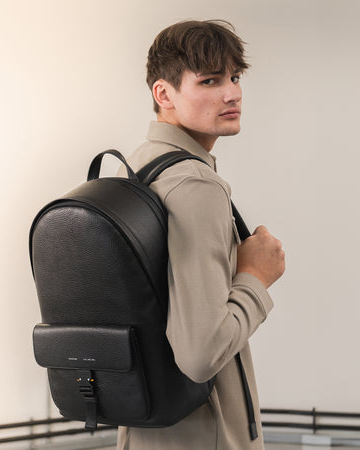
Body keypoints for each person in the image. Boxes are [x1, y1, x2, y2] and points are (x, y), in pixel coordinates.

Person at [117, 19, 286, 450]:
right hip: (206, 436)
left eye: (235, 77)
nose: (232, 93)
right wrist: (256, 278)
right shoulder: (194, 185)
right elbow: (200, 354)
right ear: (164, 94)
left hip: (146, 432)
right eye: (209, 81)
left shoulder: (135, 166)